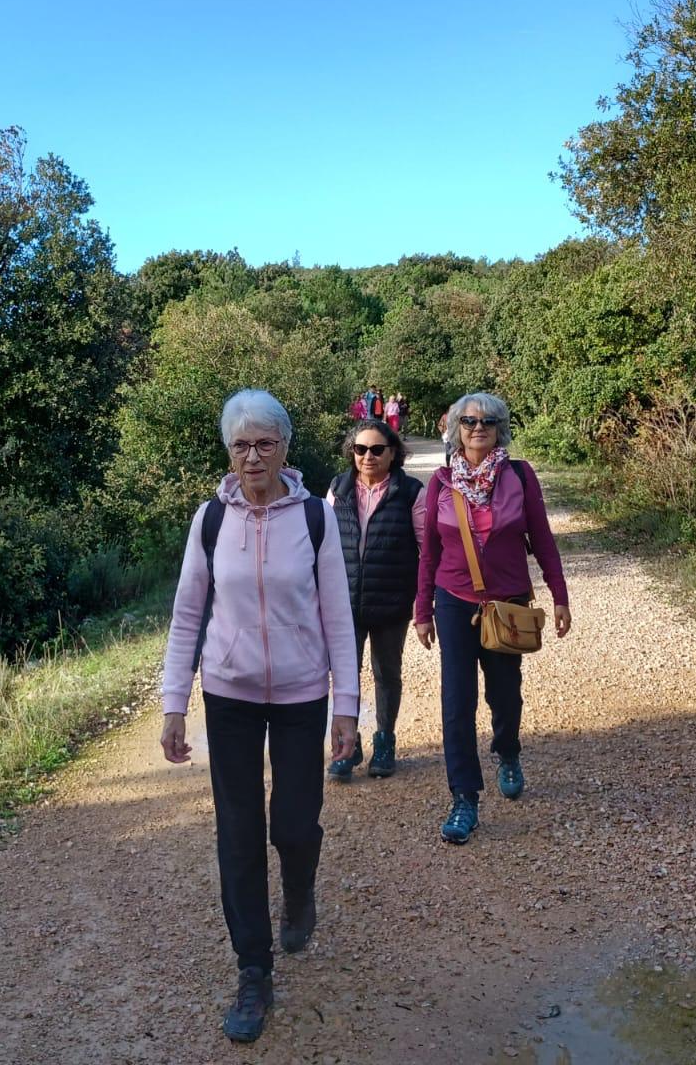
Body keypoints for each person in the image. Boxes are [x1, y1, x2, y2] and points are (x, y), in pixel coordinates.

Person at [160, 390, 360, 1043]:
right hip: (230, 695)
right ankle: (253, 970)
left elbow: (338, 615)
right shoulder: (210, 520)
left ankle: (299, 891)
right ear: (228, 451)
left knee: (295, 825)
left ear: (284, 448)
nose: (252, 457)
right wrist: (173, 703)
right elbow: (187, 614)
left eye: (265, 443)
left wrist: (347, 706)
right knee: (239, 833)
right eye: (241, 445)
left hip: (302, 693)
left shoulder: (315, 518)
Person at [414, 393, 571, 845]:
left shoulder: (519, 475)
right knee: (456, 700)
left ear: (500, 428)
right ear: (456, 429)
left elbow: (542, 538)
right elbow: (430, 552)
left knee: (504, 692)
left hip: (508, 601)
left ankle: (508, 750)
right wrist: (423, 610)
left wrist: (559, 595)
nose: (477, 427)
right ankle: (464, 797)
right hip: (454, 601)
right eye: (468, 421)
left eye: (487, 421)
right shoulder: (441, 483)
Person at [324, 419, 424, 780]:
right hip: (344, 602)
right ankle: (347, 746)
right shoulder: (338, 488)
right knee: (344, 675)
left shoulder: (410, 492)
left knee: (387, 673)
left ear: (392, 453)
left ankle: (385, 741)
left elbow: (427, 550)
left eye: (377, 449)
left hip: (391, 601)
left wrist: (423, 602)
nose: (368, 456)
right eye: (360, 449)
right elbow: (322, 545)